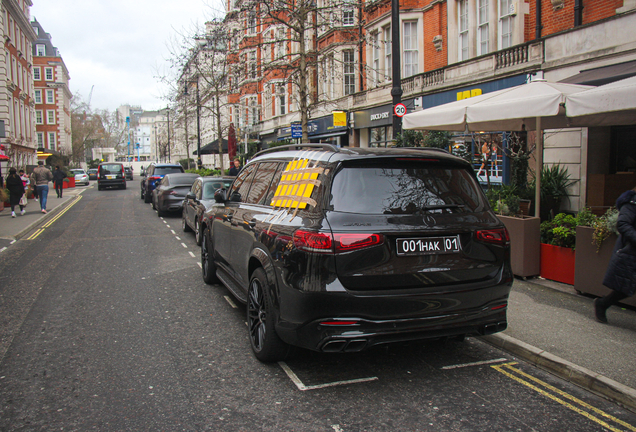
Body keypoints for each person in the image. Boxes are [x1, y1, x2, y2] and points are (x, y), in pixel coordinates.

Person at [594, 186, 636, 323]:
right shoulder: (632, 202)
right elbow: (623, 223)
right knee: (624, 288)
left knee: (628, 286)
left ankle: (603, 303)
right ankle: (603, 303)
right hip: (631, 251)